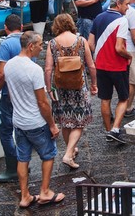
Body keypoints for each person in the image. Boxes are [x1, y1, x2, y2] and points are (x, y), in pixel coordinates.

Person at [3, 31, 65, 208]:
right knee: (48, 155)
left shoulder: (9, 65)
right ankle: (45, 191)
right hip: (36, 122)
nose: (41, 47)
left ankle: (25, 196)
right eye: (39, 44)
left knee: (23, 158)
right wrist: (52, 125)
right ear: (30, 46)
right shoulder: (34, 70)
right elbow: (42, 102)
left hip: (19, 121)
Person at [44, 14, 97, 169]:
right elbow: (91, 65)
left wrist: (49, 88)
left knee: (65, 121)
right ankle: (68, 154)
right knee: (80, 121)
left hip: (61, 87)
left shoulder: (53, 43)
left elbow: (48, 69)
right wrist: (94, 83)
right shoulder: (81, 41)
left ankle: (71, 150)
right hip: (79, 86)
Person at [88, 0, 132, 143]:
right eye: (126, 4)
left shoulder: (98, 17)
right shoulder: (122, 20)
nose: (128, 7)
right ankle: (115, 129)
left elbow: (90, 44)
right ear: (118, 4)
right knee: (123, 98)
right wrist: (129, 55)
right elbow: (119, 48)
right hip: (117, 66)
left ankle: (108, 130)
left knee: (105, 99)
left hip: (101, 65)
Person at [0, 14, 22, 183]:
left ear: (6, 28)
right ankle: (22, 164)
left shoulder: (6, 43)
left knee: (6, 130)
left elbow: (1, 74)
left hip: (10, 94)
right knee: (21, 129)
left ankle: (13, 169)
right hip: (25, 92)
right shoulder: (26, 41)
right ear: (22, 27)